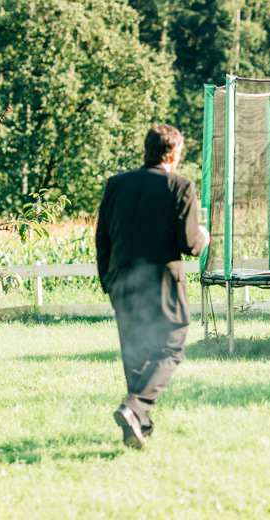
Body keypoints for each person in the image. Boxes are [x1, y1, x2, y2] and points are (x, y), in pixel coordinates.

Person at [96, 124, 210, 449]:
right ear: (173, 154)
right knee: (171, 347)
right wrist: (204, 237)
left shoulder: (116, 185)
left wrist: (109, 281)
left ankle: (138, 424)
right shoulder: (181, 186)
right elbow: (188, 243)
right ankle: (134, 409)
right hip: (161, 284)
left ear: (146, 150)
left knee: (134, 353)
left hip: (121, 281)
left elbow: (102, 237)